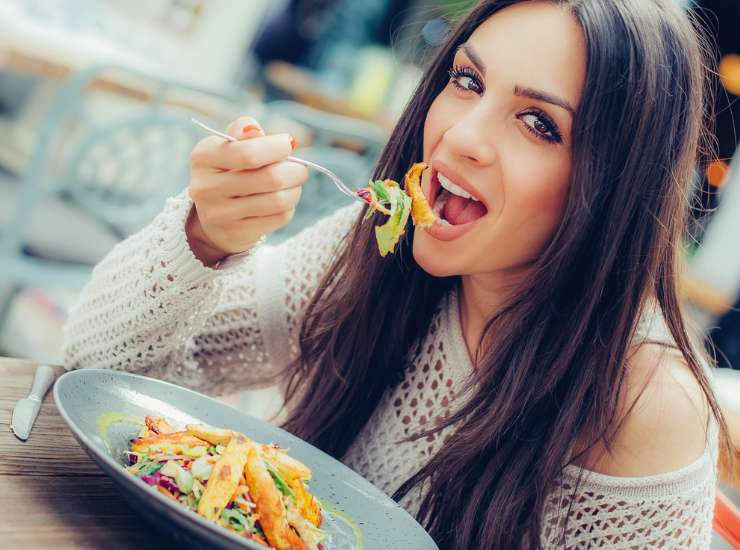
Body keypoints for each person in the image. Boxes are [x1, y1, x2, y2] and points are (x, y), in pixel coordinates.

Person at [63, 0, 729, 547]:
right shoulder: (374, 251)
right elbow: (96, 376)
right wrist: (204, 238)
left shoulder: (643, 403)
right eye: (467, 81)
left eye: (537, 122)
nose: (460, 135)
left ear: (614, 185)